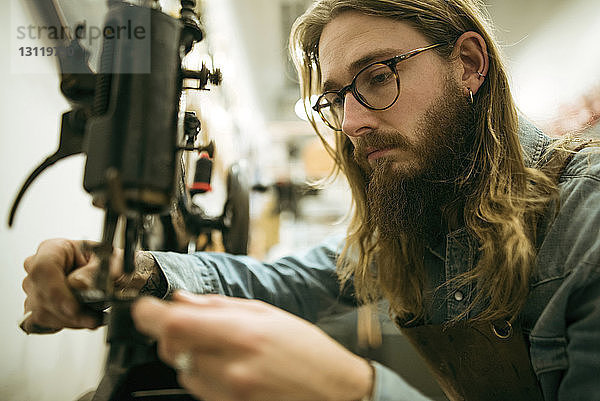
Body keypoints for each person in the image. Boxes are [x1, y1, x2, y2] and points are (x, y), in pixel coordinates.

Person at [20, 0, 600, 400]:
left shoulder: (587, 224)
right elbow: (284, 280)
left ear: (469, 64)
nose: (352, 122)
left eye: (377, 76)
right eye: (338, 98)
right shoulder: (425, 225)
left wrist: (354, 391)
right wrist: (137, 271)